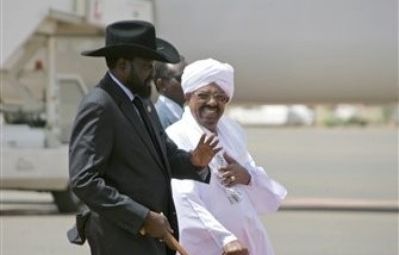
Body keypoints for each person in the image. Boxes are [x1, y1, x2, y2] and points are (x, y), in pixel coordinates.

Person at [68, 21, 221, 255]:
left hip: (152, 237)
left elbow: (164, 154)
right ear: (122, 65)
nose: (152, 73)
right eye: (147, 66)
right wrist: (141, 218)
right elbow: (84, 181)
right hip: (121, 239)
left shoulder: (142, 101)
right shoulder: (100, 105)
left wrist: (194, 162)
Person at [166, 58, 287, 255]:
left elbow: (259, 183)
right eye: (203, 95)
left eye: (221, 97)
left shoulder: (231, 132)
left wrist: (245, 176)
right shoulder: (175, 136)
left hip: (247, 241)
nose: (212, 103)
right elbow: (183, 198)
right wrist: (225, 239)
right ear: (188, 97)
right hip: (208, 246)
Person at [153, 55, 187, 128]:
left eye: (189, 77)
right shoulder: (158, 118)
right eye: (181, 78)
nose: (187, 82)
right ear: (161, 84)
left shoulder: (185, 114)